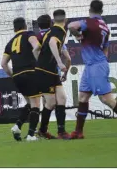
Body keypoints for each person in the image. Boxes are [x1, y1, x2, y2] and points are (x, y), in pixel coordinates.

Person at [67, 0, 117, 139]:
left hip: (96, 65)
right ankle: (78, 132)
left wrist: (78, 35)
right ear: (101, 11)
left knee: (106, 99)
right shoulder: (105, 26)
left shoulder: (89, 22)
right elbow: (106, 48)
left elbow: (70, 26)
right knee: (83, 97)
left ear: (90, 9)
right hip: (93, 65)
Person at [1, 17, 42, 141]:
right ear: (25, 26)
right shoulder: (29, 34)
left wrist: (12, 75)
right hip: (30, 72)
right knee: (36, 104)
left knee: (29, 103)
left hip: (18, 75)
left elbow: (3, 64)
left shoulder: (10, 42)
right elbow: (37, 46)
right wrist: (38, 61)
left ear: (14, 28)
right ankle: (30, 135)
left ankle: (17, 126)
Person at [35, 9, 71, 139]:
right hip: (45, 71)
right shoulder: (59, 31)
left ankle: (61, 132)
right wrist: (60, 63)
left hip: (49, 71)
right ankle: (43, 130)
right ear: (65, 20)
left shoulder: (50, 32)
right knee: (50, 102)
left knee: (62, 98)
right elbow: (51, 43)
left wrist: (39, 60)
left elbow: (36, 49)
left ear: (53, 20)